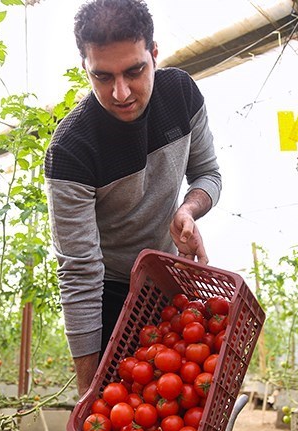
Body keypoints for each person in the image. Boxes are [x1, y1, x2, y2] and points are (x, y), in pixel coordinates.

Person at [44, 0, 222, 395]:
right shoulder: (71, 149)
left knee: (179, 402)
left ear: (154, 53)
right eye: (102, 76)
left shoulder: (181, 96)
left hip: (167, 280)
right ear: (85, 68)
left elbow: (208, 174)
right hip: (108, 291)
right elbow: (80, 273)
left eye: (134, 71)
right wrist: (89, 394)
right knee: (115, 410)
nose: (120, 92)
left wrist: (188, 209)